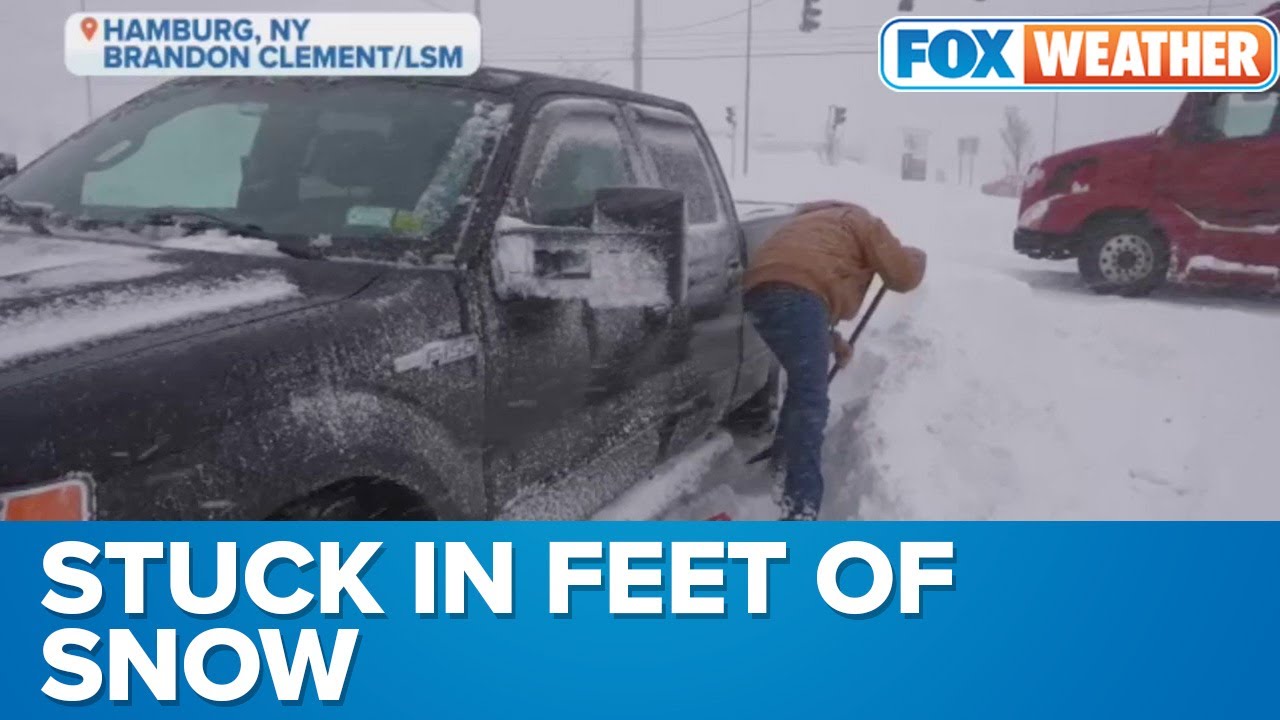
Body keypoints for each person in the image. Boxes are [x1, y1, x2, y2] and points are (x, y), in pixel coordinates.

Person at [743, 200, 927, 520]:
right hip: (798, 297)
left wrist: (832, 342)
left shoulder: (811, 223)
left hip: (759, 294)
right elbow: (902, 277)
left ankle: (783, 464)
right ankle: (801, 507)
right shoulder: (862, 220)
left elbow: (795, 292)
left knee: (802, 386)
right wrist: (917, 259)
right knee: (810, 398)